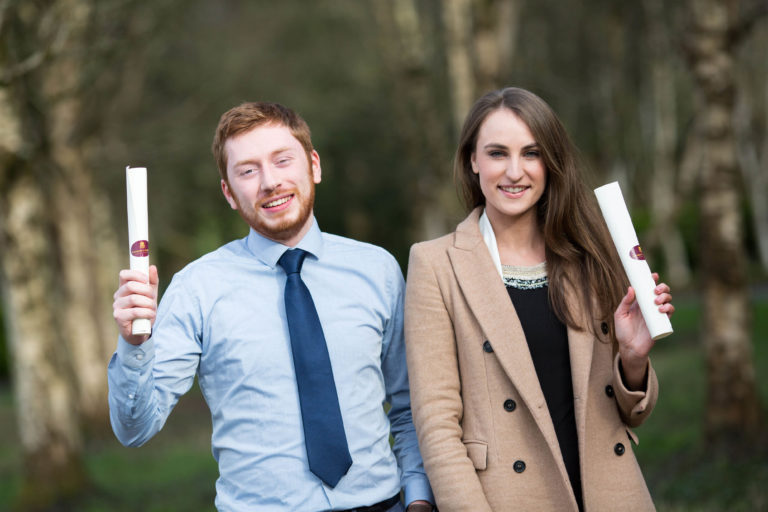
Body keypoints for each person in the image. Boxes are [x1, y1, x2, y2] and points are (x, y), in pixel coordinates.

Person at [109, 101, 434, 512]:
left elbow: (409, 407)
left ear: (313, 165)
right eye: (247, 170)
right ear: (229, 192)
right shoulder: (197, 288)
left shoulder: (378, 270)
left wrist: (419, 499)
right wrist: (135, 346)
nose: (270, 182)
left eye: (283, 160)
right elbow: (134, 429)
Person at [403, 87, 674, 512]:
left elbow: (630, 414)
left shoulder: (589, 254)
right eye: (497, 153)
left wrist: (633, 359)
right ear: (472, 160)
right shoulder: (435, 264)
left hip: (609, 495)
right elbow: (437, 427)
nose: (515, 171)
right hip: (508, 499)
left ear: (550, 163)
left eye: (531, 153)